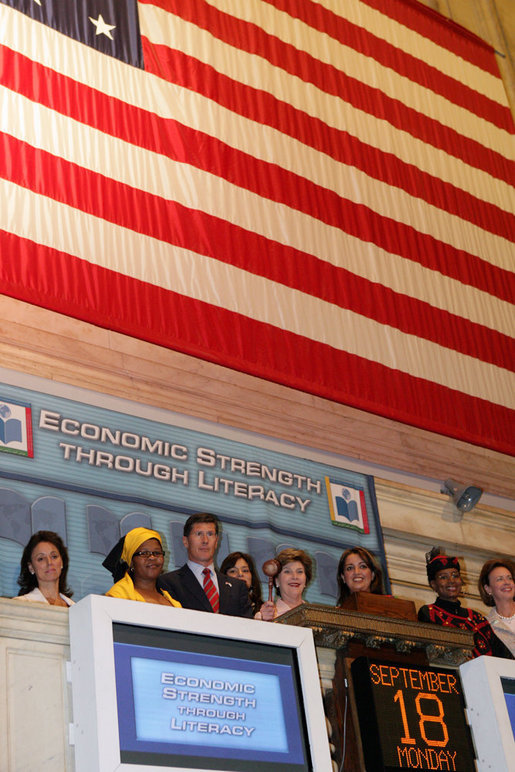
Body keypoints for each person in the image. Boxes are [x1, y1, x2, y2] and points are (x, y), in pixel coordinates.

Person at [417, 547, 513, 659]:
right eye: (443, 577)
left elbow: (506, 658)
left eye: (455, 575)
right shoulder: (429, 613)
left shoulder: (478, 619)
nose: (451, 581)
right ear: (433, 584)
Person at [159, 514, 252, 617]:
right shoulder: (169, 583)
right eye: (199, 534)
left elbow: (246, 627)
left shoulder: (237, 587)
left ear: (216, 541)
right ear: (185, 541)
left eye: (210, 534)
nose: (205, 541)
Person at [104, 527, 181, 607]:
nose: (152, 557)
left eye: (157, 553)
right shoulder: (118, 596)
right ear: (131, 562)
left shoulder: (173, 602)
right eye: (144, 553)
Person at [13, 530, 74, 606]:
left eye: (54, 556)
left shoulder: (76, 608)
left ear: (61, 562)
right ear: (31, 567)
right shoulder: (20, 604)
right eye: (41, 559)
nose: (49, 562)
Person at [256, 548, 313, 621]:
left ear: (306, 580)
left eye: (299, 572)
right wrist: (264, 622)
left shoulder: (316, 616)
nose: (294, 577)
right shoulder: (263, 617)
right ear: (277, 581)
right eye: (287, 571)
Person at [478, 558, 515, 657]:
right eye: (500, 579)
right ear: (488, 589)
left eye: (509, 578)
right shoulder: (485, 626)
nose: (507, 582)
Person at [220, 550, 263, 615]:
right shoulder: (217, 606)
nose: (240, 574)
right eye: (233, 571)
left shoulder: (263, 609)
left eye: (245, 570)